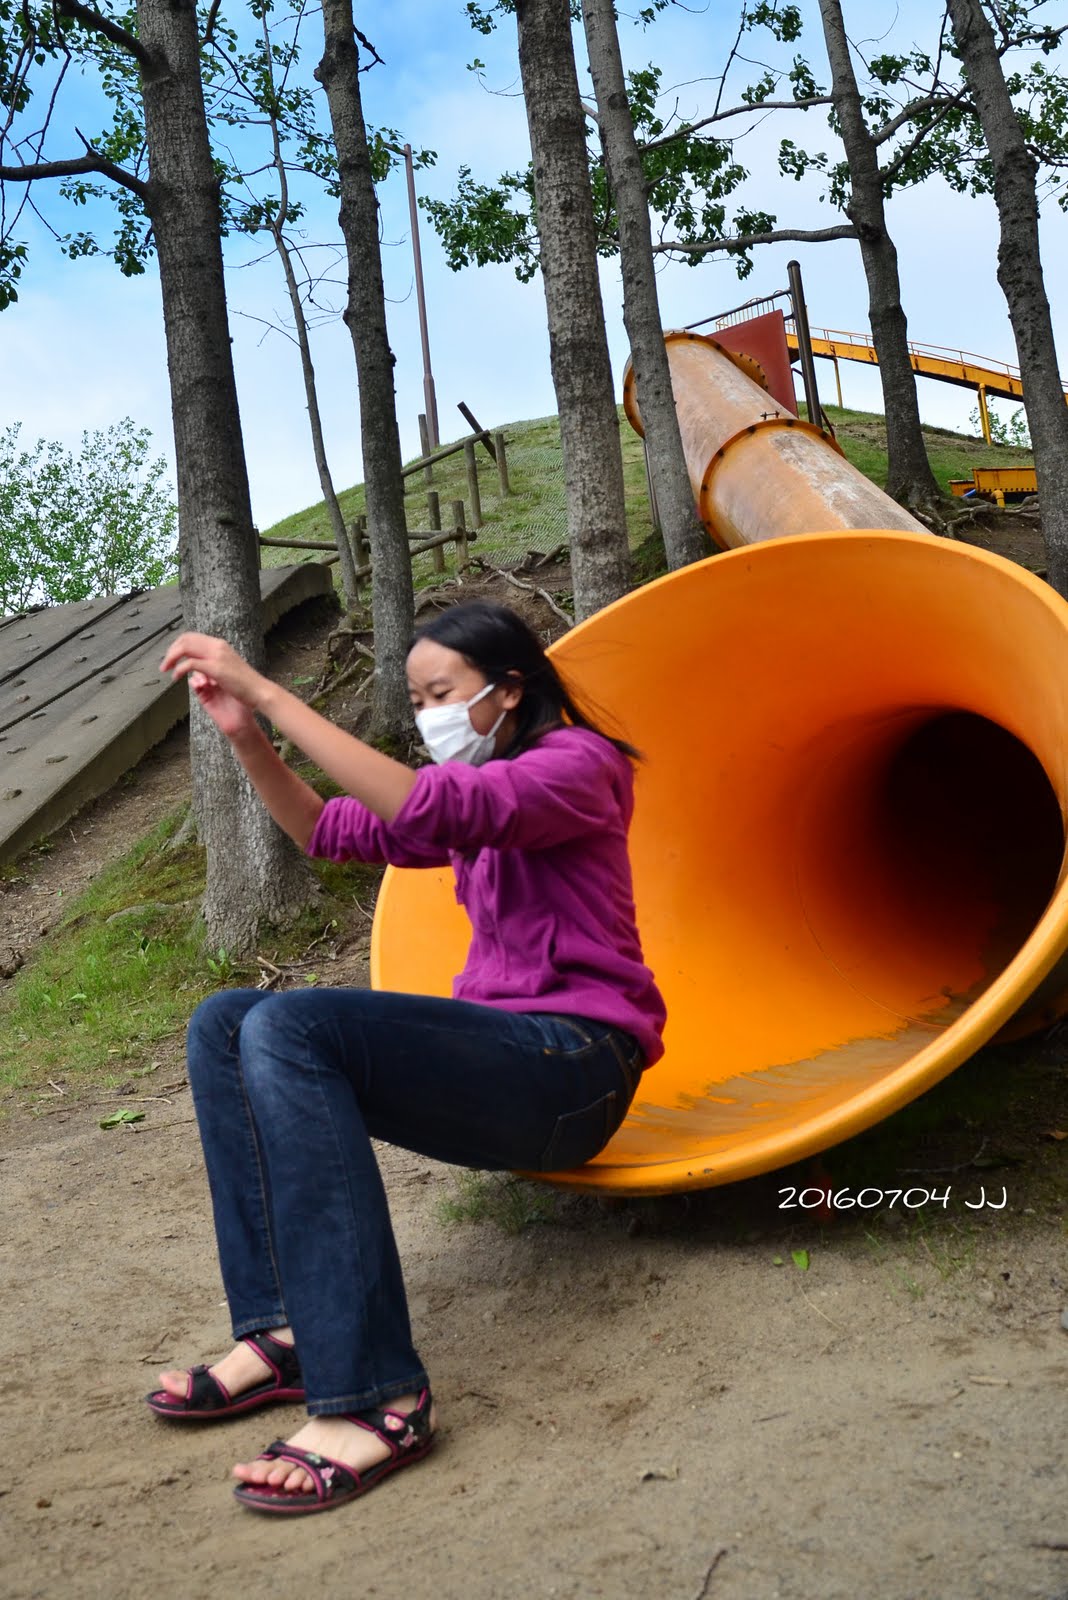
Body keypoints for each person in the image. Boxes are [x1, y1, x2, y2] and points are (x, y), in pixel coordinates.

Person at [149, 599, 665, 1516]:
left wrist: (265, 689)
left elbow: (429, 802)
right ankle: (285, 1333)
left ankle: (377, 1396)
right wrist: (246, 736)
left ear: (510, 690)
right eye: (416, 698)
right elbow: (326, 832)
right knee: (227, 1021)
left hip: (576, 1067)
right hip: (510, 1068)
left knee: (293, 1025)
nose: (426, 714)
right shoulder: (478, 792)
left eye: (441, 693)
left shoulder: (576, 766)